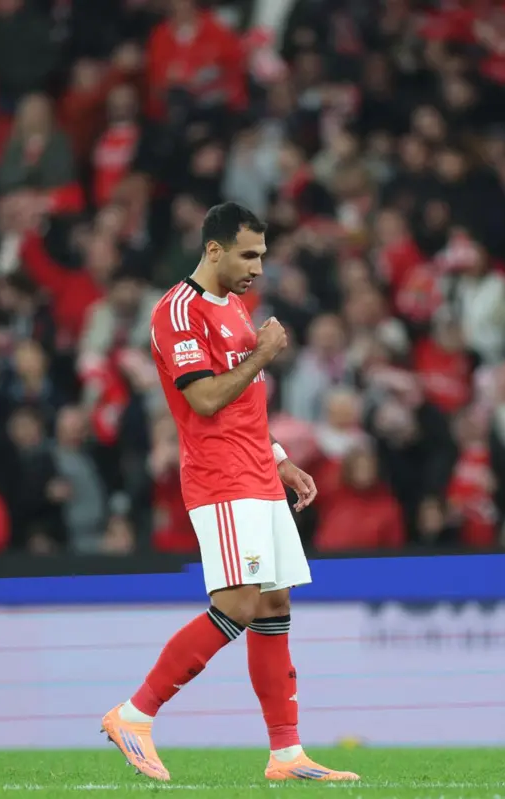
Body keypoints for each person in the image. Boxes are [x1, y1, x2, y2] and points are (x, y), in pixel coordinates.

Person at [99, 203, 358, 783]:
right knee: (238, 603)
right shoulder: (177, 311)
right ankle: (135, 714)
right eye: (248, 254)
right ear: (213, 250)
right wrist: (264, 354)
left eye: (262, 255)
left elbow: (245, 405)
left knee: (273, 605)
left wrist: (282, 459)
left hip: (258, 475)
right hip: (220, 480)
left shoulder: (237, 309)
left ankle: (286, 754)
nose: (258, 268)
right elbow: (206, 400)